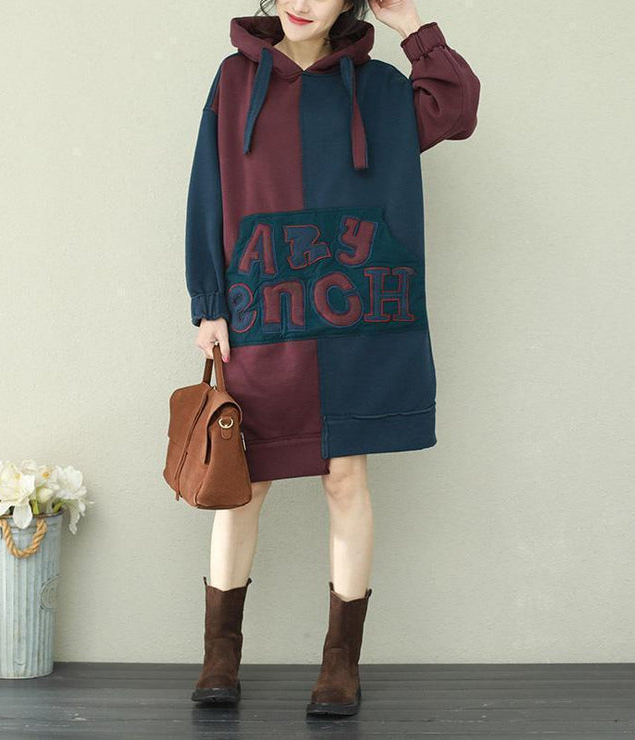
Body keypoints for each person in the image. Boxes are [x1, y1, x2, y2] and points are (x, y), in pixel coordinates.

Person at [184, 0, 480, 717]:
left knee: (345, 479)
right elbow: (206, 191)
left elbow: (457, 108)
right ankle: (220, 656)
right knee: (246, 480)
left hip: (355, 313)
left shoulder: (380, 89)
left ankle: (340, 664)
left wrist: (412, 26)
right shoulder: (234, 81)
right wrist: (209, 301)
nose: (302, 1)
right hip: (267, 305)